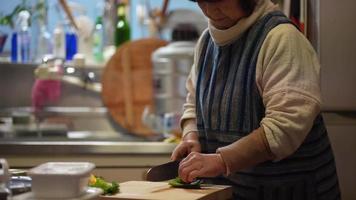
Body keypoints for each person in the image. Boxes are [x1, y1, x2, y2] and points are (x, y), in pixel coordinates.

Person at [171, 0, 341, 199]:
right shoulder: (206, 42)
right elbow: (193, 100)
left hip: (290, 191)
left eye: (219, 0)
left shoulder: (281, 38)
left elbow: (284, 127)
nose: (210, 10)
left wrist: (221, 160)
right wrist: (191, 136)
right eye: (202, 1)